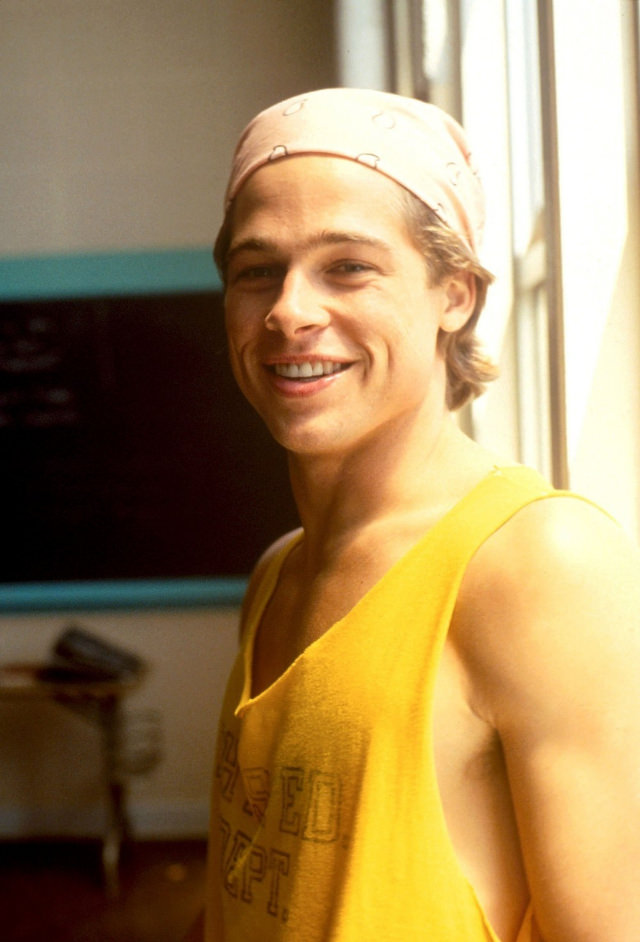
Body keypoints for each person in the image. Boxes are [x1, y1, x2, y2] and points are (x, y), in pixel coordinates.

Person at [186, 88, 640, 942]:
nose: (289, 310)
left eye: (347, 266)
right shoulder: (277, 574)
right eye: (257, 270)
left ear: (456, 295)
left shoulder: (539, 561)